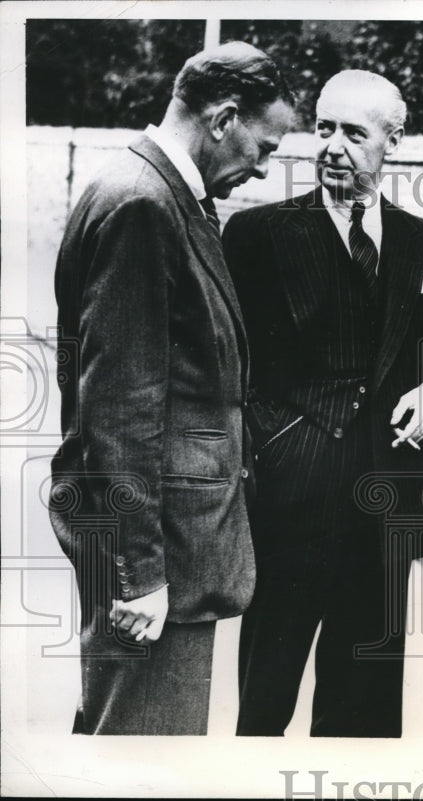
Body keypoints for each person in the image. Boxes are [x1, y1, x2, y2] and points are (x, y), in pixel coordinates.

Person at [49, 42, 295, 735]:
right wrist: (141, 574)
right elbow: (119, 407)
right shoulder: (145, 204)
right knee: (145, 756)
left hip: (165, 542)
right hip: (159, 554)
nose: (263, 168)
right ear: (223, 119)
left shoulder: (151, 190)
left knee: (120, 739)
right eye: (265, 147)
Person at [223, 70, 423, 737]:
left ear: (394, 141)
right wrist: (274, 449)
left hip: (387, 500)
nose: (332, 146)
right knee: (265, 700)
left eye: (354, 134)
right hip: (290, 497)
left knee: (366, 709)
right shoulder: (258, 233)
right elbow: (233, 364)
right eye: (323, 127)